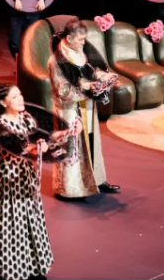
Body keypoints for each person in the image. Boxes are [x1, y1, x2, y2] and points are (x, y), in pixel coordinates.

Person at [0, 83, 79, 280]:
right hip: (6, 177)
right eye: (14, 97)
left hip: (24, 174)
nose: (21, 99)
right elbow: (19, 148)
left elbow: (46, 135)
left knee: (28, 219)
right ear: (3, 103)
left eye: (20, 94)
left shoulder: (25, 117)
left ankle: (32, 267)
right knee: (8, 223)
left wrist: (68, 132)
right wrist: (36, 149)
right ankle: (6, 272)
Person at [48, 16, 120, 200]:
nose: (83, 42)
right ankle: (71, 190)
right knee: (73, 148)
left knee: (92, 144)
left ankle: (98, 180)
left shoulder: (80, 50)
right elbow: (63, 90)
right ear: (69, 38)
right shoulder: (57, 60)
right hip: (69, 109)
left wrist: (102, 77)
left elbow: (90, 70)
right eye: (80, 39)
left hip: (86, 105)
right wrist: (89, 88)